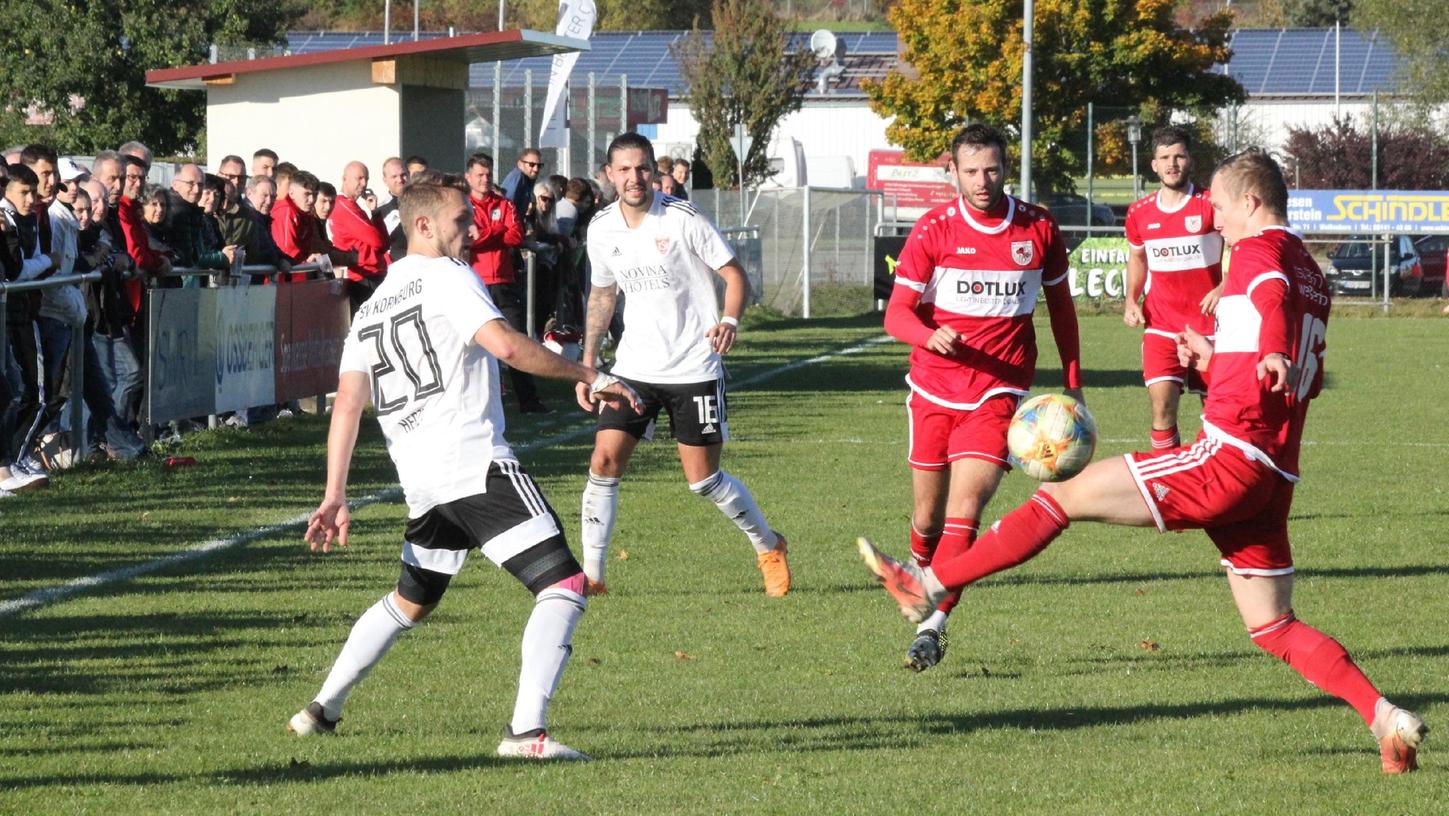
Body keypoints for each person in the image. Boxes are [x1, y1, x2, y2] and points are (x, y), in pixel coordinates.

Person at [858, 148, 1429, 775]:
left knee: (1059, 498)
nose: (1210, 215)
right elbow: (1298, 374)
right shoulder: (1311, 272)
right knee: (1273, 627)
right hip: (1274, 474)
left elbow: (1266, 299)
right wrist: (1218, 357)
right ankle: (1384, 717)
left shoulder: (1262, 251)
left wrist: (1265, 348)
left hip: (1226, 459)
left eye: (1217, 202)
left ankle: (928, 584)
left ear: (1250, 201)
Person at [288, 181, 642, 762]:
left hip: (422, 482)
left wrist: (335, 493)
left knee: (410, 601)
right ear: (422, 227)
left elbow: (348, 405)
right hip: (475, 463)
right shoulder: (448, 277)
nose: (471, 229)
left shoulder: (372, 307)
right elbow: (503, 344)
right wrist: (586, 373)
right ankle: (526, 735)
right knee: (564, 586)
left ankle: (320, 710)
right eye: (459, 220)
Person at [881, 123, 1083, 672]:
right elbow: (896, 314)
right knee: (926, 516)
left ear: (1006, 167)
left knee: (963, 512)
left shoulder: (1038, 227)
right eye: (970, 171)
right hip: (932, 389)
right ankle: (919, 575)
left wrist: (1073, 382)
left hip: (1000, 392)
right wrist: (930, 335)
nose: (982, 181)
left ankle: (931, 625)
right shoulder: (934, 230)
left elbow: (1062, 310)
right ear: (953, 170)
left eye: (992, 169)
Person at [577, 132, 790, 596]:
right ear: (610, 176)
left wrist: (730, 319)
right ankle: (592, 576)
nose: (635, 178)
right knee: (604, 460)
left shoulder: (682, 219)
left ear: (654, 170)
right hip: (632, 368)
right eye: (625, 170)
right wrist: (589, 362)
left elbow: (735, 275)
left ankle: (769, 545)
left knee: (703, 480)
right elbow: (603, 294)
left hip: (693, 366)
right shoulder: (601, 228)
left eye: (642, 168)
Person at [1123, 125, 1224, 450]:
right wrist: (1131, 300)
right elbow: (1138, 259)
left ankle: (1217, 484)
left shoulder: (1210, 204)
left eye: (1179, 156)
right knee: (1162, 410)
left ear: (1190, 160)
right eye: (1165, 157)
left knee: (1217, 414)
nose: (1172, 163)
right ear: (1154, 164)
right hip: (1162, 327)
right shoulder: (1140, 213)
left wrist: (1225, 286)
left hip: (1213, 329)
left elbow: (1241, 246)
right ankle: (1169, 488)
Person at [463, 153, 548, 414]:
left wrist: (490, 232)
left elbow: (515, 236)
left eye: (488, 174)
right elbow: (471, 240)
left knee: (516, 341)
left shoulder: (505, 204)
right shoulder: (464, 206)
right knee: (471, 346)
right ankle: (472, 403)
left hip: (504, 280)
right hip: (476, 283)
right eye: (479, 174)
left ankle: (529, 401)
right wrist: (497, 230)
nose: (485, 179)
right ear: (468, 177)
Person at [329, 161, 389, 313]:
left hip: (372, 274)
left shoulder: (353, 206)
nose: (363, 184)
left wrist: (375, 212)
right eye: (359, 178)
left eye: (366, 179)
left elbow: (384, 244)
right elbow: (378, 241)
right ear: (345, 179)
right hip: (362, 277)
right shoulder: (343, 205)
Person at [372, 157, 410, 260]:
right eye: (394, 176)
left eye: (403, 175)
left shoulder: (423, 203)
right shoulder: (380, 210)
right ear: (385, 180)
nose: (400, 180)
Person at [502, 148, 544, 226]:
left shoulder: (527, 179)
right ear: (520, 164)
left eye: (539, 165)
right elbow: (506, 208)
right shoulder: (518, 178)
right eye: (531, 165)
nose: (536, 169)